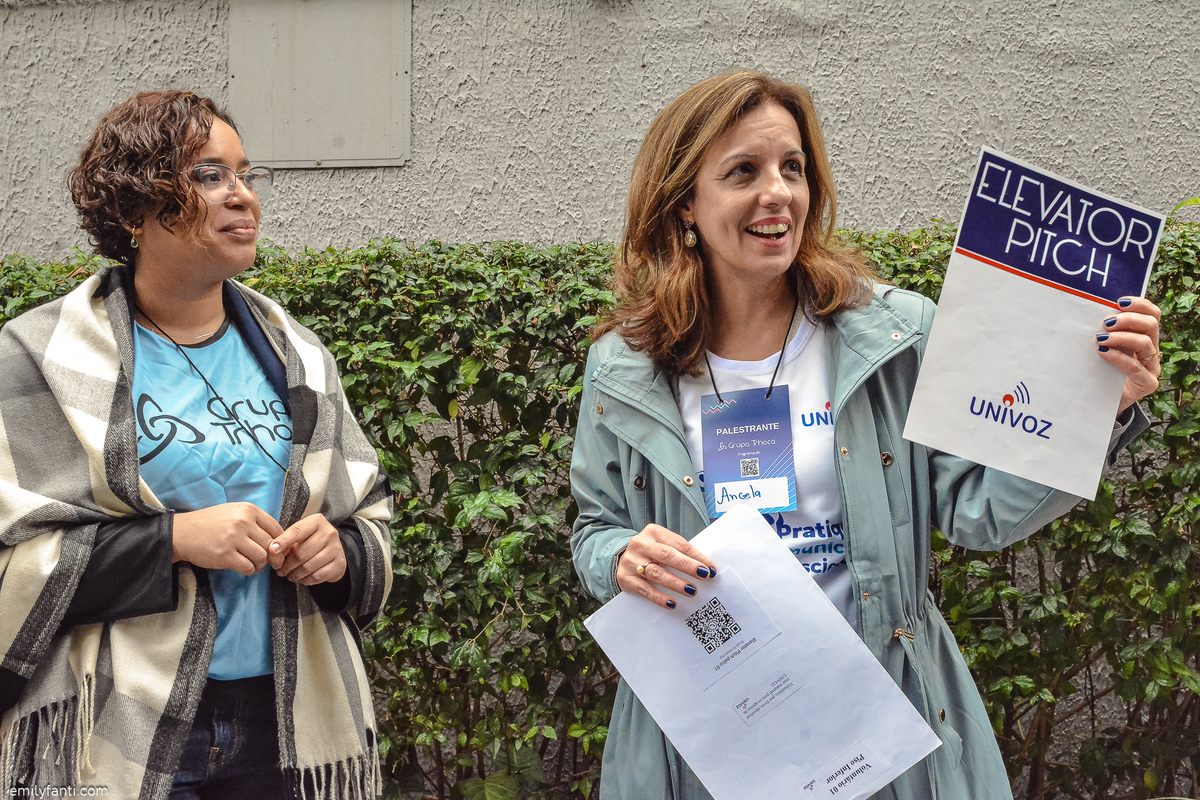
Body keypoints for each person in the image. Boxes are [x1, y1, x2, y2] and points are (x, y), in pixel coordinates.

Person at [568, 71, 1161, 800]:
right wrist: (621, 557)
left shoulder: (895, 335)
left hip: (885, 724)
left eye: (793, 167)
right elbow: (595, 529)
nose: (777, 193)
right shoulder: (625, 365)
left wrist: (1094, 407)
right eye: (742, 172)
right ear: (686, 203)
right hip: (711, 734)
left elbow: (978, 511)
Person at [0, 91, 393, 799]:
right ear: (133, 211)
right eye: (211, 176)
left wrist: (338, 553)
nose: (244, 198)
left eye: (247, 174)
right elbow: (12, 559)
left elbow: (368, 517)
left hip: (285, 722)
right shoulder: (43, 357)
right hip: (116, 726)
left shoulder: (298, 356)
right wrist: (173, 540)